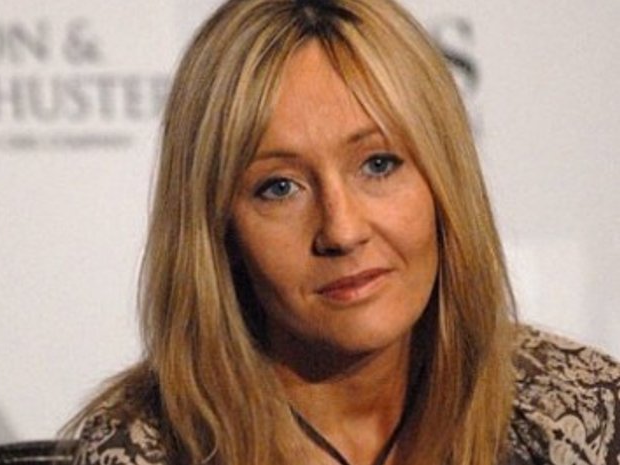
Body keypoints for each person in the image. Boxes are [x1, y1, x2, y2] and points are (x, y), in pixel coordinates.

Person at [65, 0, 620, 464]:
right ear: (218, 230)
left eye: (378, 164)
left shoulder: (577, 413)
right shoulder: (144, 448)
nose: (342, 230)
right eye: (279, 187)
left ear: (444, 180)